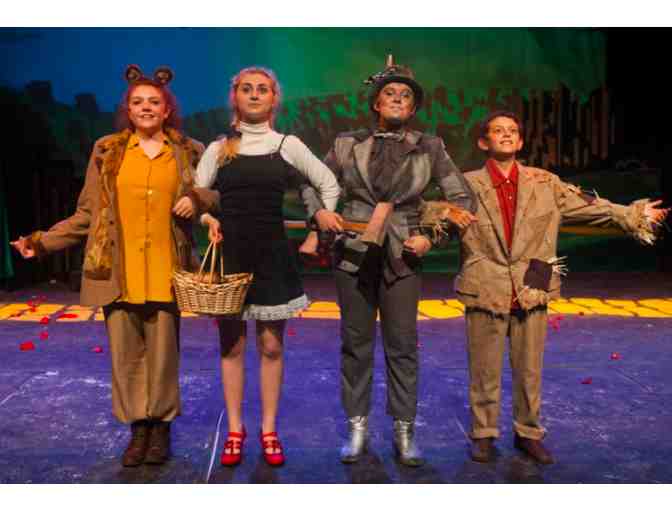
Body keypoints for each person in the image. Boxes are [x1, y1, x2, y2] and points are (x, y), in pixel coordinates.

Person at [11, 65, 217, 467]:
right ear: (128, 108)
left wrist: (197, 200)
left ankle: (160, 429)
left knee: (163, 356)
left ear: (167, 109)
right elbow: (87, 213)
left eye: (154, 102)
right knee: (126, 357)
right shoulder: (107, 150)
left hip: (166, 268)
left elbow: (214, 193)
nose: (146, 108)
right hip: (118, 271)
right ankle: (138, 429)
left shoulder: (188, 150)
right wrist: (42, 241)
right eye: (138, 102)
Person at [458, 110, 670, 464]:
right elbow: (439, 216)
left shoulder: (545, 182)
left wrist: (633, 215)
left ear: (520, 141)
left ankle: (528, 433)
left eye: (512, 130)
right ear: (483, 141)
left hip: (534, 278)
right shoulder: (464, 184)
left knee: (530, 368)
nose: (506, 135)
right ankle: (483, 433)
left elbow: (591, 206)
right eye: (497, 130)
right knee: (484, 367)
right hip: (486, 280)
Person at [302, 56, 476, 466]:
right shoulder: (347, 144)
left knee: (402, 345)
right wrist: (320, 212)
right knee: (355, 342)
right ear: (376, 103)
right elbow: (313, 185)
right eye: (390, 93)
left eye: (405, 96)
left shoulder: (429, 147)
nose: (398, 99)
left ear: (413, 108)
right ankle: (357, 428)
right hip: (353, 251)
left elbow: (462, 199)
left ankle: (404, 430)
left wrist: (431, 237)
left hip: (402, 254)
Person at [196, 66, 342, 467]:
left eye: (263, 89)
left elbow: (328, 184)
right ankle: (235, 430)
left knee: (272, 346)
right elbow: (199, 197)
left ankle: (269, 430)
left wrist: (321, 222)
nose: (255, 95)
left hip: (272, 258)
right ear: (235, 97)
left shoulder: (286, 144)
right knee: (231, 345)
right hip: (231, 257)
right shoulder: (219, 148)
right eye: (247, 89)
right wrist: (208, 220)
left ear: (274, 98)